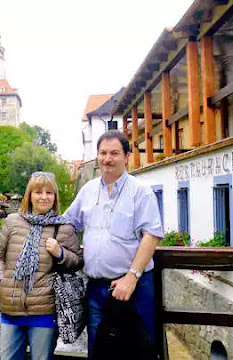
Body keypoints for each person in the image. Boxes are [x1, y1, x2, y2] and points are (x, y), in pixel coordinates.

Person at [64, 130, 163, 359]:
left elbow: (152, 235)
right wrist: (59, 250)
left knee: (139, 352)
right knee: (99, 352)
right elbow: (68, 224)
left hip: (134, 288)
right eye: (103, 153)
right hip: (97, 289)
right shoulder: (87, 190)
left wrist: (132, 276)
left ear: (127, 156)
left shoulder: (141, 192)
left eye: (114, 153)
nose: (107, 158)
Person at [0, 171, 83, 360]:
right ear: (30, 195)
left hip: (44, 311)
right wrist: (0, 284)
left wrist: (60, 254)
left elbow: (78, 261)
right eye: (38, 192)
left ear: (55, 197)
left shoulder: (64, 227)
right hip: (11, 307)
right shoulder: (12, 222)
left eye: (49, 192)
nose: (43, 197)